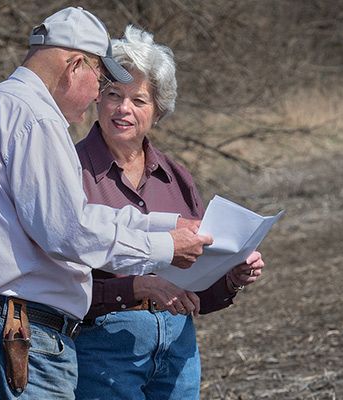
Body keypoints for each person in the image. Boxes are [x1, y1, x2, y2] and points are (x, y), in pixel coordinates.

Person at [0, 7, 213, 400]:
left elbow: (66, 218)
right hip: (16, 332)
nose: (100, 95)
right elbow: (68, 232)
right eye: (101, 80)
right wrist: (166, 246)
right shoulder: (37, 118)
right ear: (74, 65)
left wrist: (164, 227)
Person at [73, 25, 266, 400]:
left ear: (158, 111)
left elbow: (198, 287)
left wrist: (233, 276)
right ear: (97, 98)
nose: (124, 109)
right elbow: (57, 282)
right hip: (103, 345)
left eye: (139, 100)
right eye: (114, 94)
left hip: (178, 346)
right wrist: (132, 289)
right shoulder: (70, 170)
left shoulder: (176, 177)